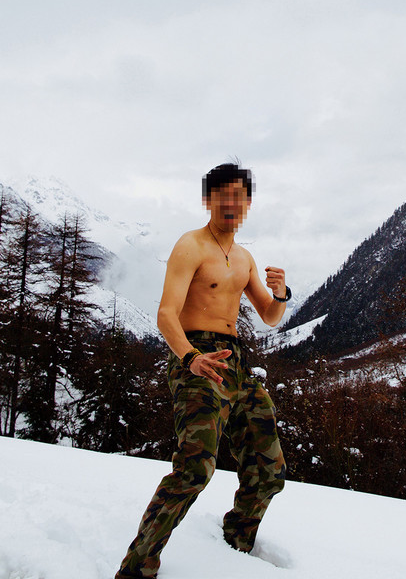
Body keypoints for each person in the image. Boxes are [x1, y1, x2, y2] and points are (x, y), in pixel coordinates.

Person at [115, 162, 289, 579]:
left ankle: (234, 546)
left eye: (239, 197)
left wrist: (282, 294)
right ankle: (137, 569)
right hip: (197, 358)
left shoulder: (245, 257)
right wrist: (190, 358)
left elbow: (268, 315)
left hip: (236, 362)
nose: (232, 204)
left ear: (247, 203)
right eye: (223, 196)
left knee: (269, 470)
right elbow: (165, 314)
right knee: (195, 467)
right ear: (209, 200)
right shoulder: (190, 246)